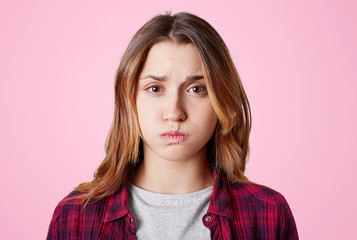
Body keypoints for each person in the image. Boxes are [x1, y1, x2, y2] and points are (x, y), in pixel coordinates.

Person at [47, 11, 299, 240]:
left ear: (221, 99)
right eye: (155, 88)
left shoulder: (268, 215)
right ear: (129, 100)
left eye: (196, 89)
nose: (174, 112)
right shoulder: (75, 219)